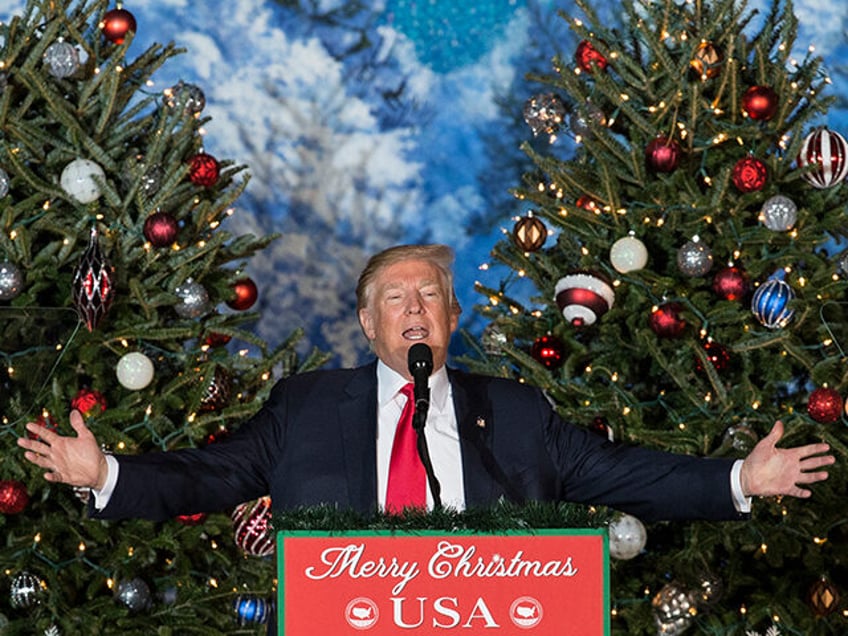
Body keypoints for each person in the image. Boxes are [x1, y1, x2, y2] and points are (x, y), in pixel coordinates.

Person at [19, 243, 834, 524]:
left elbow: (626, 476)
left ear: (448, 319)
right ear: (368, 326)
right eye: (395, 299)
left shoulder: (514, 413)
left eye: (429, 296)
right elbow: (210, 473)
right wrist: (108, 476)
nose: (415, 309)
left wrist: (739, 478)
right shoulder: (304, 409)